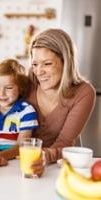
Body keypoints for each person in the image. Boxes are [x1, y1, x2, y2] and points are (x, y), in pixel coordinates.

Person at [26, 28, 96, 176]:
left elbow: (64, 142)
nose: (39, 71)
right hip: (21, 165)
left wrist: (44, 156)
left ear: (65, 62)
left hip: (59, 169)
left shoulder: (83, 93)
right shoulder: (26, 86)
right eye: (35, 64)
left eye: (47, 64)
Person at [0, 59, 38, 166]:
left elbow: (21, 146)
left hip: (14, 163)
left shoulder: (27, 112)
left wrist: (1, 155)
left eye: (8, 88)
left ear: (20, 88)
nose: (2, 93)